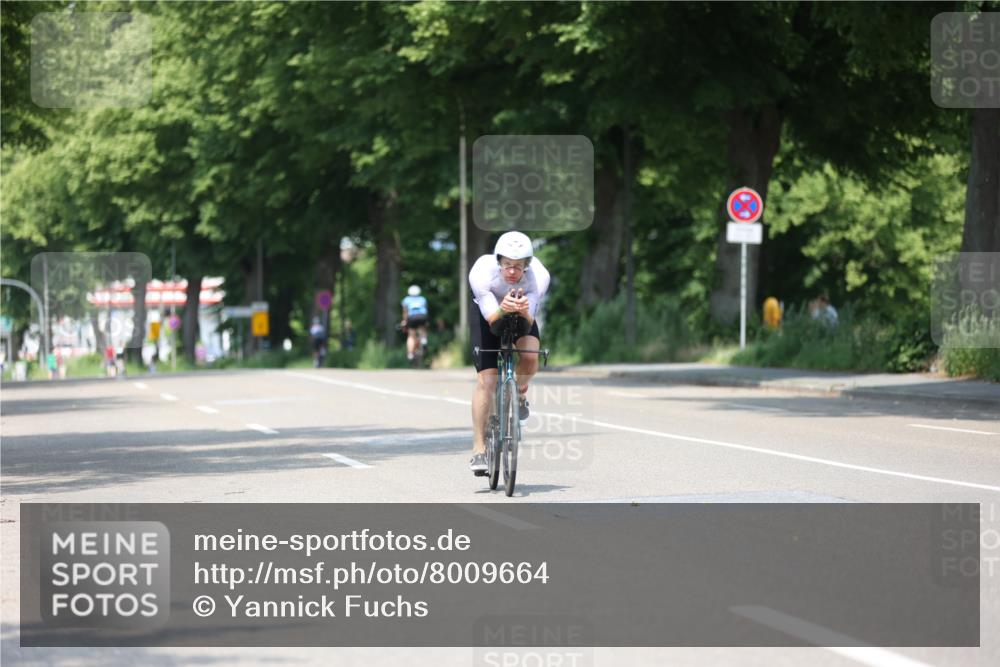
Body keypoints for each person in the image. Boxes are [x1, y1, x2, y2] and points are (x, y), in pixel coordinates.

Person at [467, 230, 550, 473]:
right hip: (489, 313)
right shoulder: (482, 273)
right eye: (507, 265)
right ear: (498, 262)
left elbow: (528, 321)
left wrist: (523, 311)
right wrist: (503, 308)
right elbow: (493, 320)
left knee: (531, 357)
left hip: (521, 311)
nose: (512, 272)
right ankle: (479, 450)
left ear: (527, 266)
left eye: (518, 266)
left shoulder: (538, 277)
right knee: (487, 380)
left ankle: (520, 393)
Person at [400, 285, 429, 363]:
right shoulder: (423, 299)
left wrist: (404, 321)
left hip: (412, 317)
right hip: (422, 316)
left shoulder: (406, 299)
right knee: (422, 329)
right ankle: (424, 340)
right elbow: (425, 310)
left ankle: (410, 354)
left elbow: (405, 312)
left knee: (411, 336)